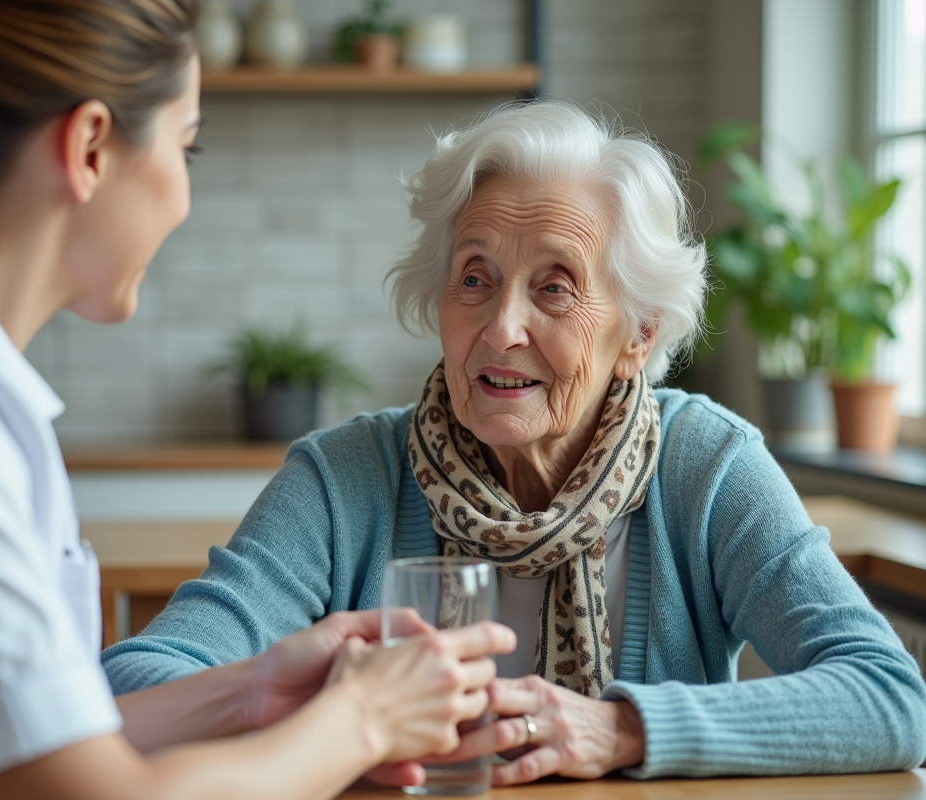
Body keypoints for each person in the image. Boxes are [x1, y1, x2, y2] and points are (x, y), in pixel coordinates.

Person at [0, 2, 518, 799]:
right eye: (187, 146)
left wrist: (250, 691)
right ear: (91, 147)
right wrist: (365, 718)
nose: (183, 197)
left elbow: (37, 742)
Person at [103, 100, 926, 785]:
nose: (501, 328)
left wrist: (621, 729)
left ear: (638, 332)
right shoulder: (344, 476)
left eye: (554, 287)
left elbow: (890, 696)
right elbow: (129, 688)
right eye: (475, 278)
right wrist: (339, 713)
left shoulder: (705, 466)